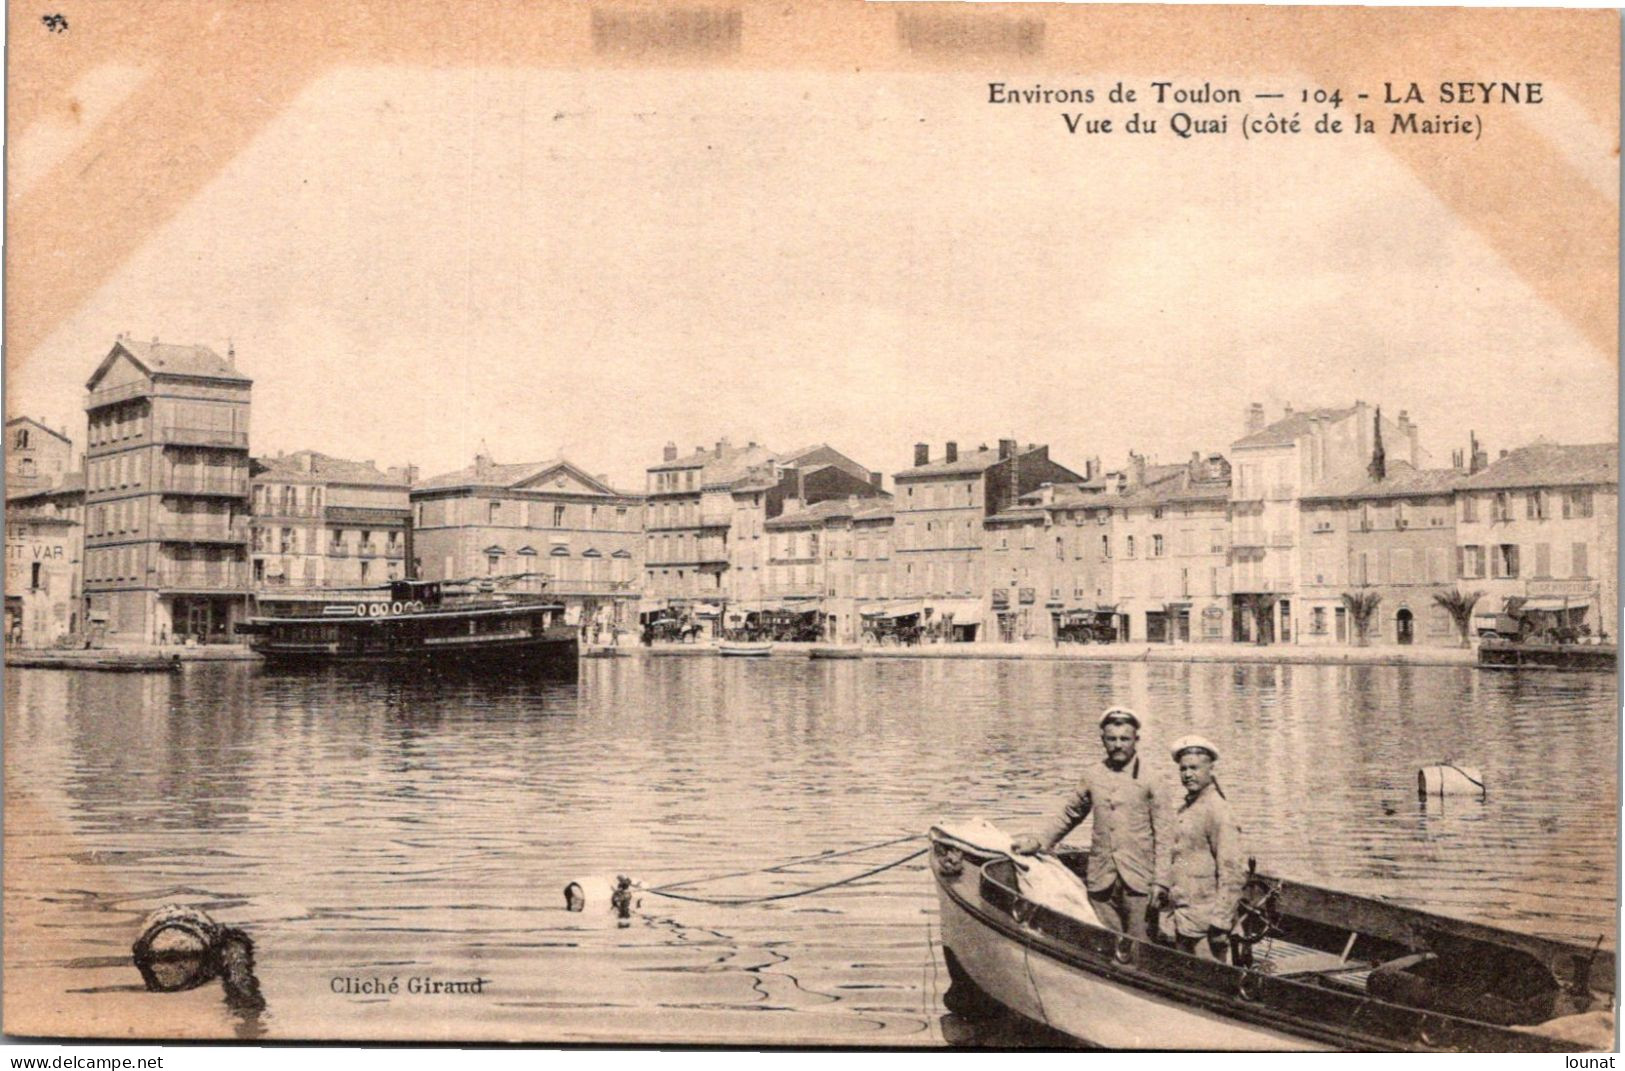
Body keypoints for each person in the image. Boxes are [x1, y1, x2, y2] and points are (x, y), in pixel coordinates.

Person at [1012, 707, 1165, 940]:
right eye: (1112, 739)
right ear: (1103, 740)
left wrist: (1161, 882)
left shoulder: (1152, 779)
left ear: (1136, 740)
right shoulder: (1093, 775)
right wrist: (1039, 841)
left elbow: (1166, 834)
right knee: (1104, 943)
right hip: (1101, 880)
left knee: (1140, 947)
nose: (1118, 745)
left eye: (1124, 739)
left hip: (1138, 882)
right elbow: (1070, 814)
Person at [1154, 735, 1246, 962]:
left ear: (1210, 769)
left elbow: (1233, 871)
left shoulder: (1218, 811)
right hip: (1185, 920)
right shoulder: (1187, 809)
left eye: (1194, 768)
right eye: (1183, 769)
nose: (1187, 774)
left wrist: (1221, 923)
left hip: (1208, 926)